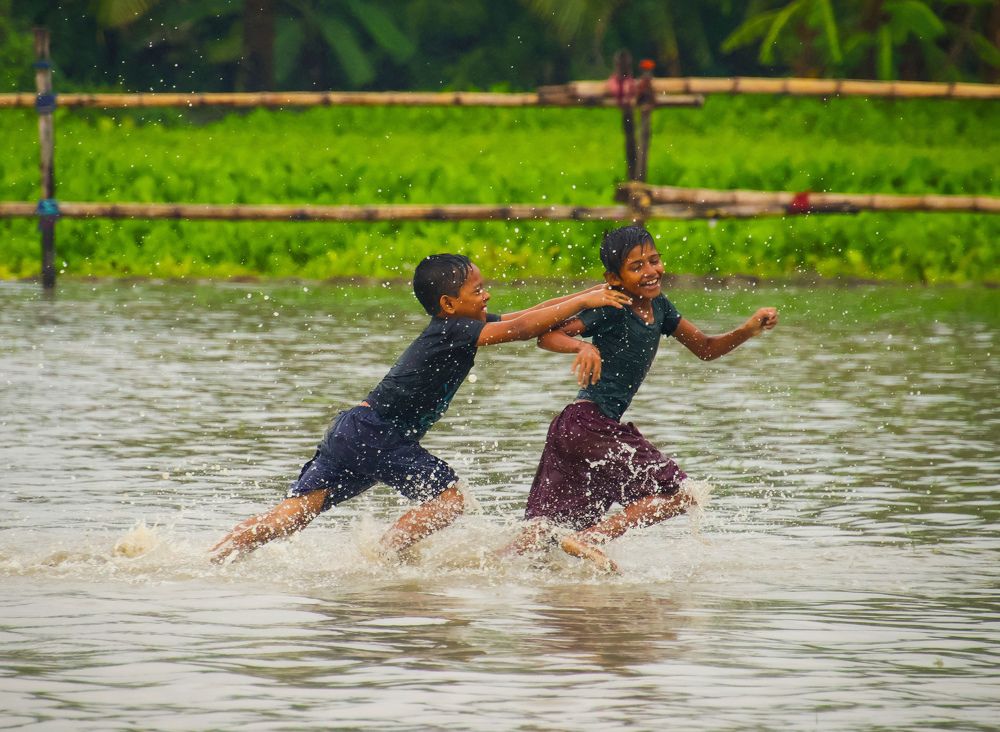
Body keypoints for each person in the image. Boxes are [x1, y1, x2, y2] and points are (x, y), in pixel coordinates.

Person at [211, 253, 631, 563]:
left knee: (292, 515)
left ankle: (215, 555)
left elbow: (526, 314)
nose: (486, 295)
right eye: (477, 291)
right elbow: (521, 329)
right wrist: (585, 301)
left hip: (355, 429)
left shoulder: (458, 324)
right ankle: (382, 559)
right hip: (377, 433)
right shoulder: (454, 330)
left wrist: (589, 296)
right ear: (448, 304)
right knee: (450, 501)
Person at [500, 225, 778, 572]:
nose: (650, 271)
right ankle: (592, 539)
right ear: (614, 279)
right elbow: (547, 336)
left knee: (543, 534)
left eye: (654, 260)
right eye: (636, 266)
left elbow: (705, 348)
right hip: (589, 426)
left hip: (574, 430)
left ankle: (473, 570)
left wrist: (749, 329)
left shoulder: (660, 307)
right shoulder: (611, 306)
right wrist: (582, 347)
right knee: (681, 494)